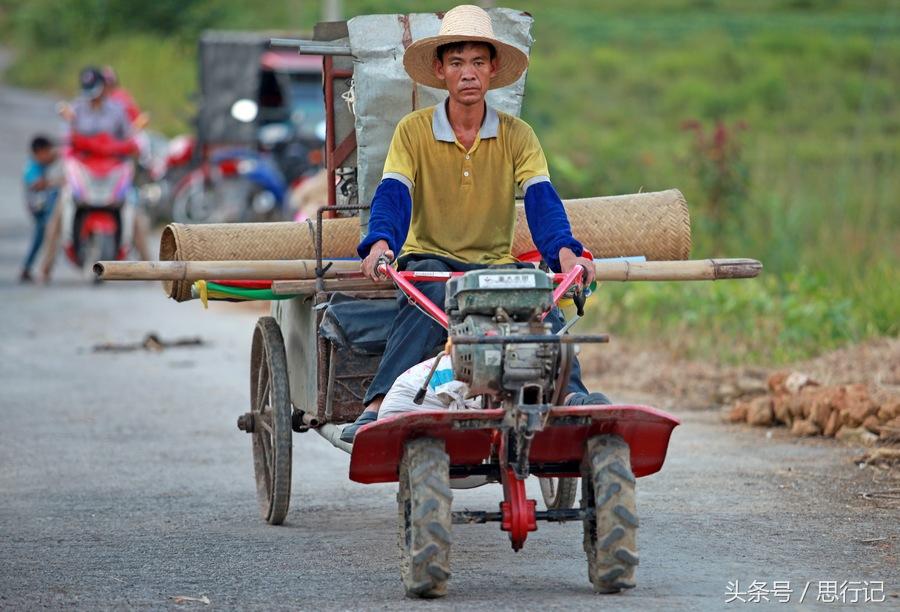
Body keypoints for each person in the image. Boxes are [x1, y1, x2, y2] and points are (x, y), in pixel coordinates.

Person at [340, 5, 609, 442]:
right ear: (441, 70)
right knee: (428, 298)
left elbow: (542, 200)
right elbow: (394, 194)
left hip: (495, 266)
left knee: (542, 300)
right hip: (431, 261)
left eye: (478, 62)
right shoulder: (413, 131)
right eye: (458, 63)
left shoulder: (518, 135)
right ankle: (377, 405)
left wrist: (566, 250)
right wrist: (379, 242)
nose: (468, 73)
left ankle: (570, 394)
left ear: (493, 70)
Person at [42, 67, 150, 279]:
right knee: (59, 212)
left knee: (134, 214)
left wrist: (129, 148)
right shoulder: (76, 110)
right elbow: (67, 140)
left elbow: (130, 138)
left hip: (111, 172)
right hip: (84, 172)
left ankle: (150, 272)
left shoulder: (118, 110)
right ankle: (45, 269)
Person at [20, 136, 62, 282]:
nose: (50, 155)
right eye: (47, 152)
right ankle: (28, 267)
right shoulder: (31, 167)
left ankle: (28, 268)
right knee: (40, 239)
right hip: (39, 210)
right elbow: (37, 184)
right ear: (38, 152)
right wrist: (55, 182)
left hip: (43, 207)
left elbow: (56, 157)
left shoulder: (42, 163)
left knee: (41, 239)